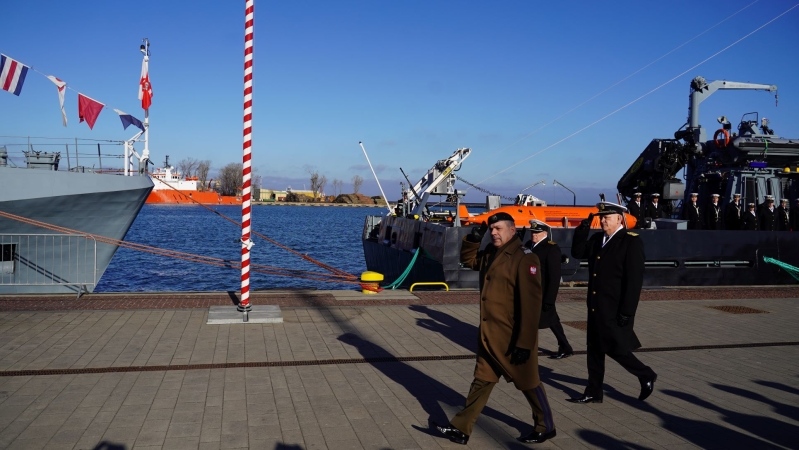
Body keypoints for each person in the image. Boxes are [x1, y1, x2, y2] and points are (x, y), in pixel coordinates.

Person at [435, 212, 556, 445]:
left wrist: (525, 342)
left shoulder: (525, 258)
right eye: (491, 229)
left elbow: (531, 306)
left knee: (529, 382)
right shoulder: (491, 251)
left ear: (512, 230)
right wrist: (473, 239)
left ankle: (546, 426)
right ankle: (461, 428)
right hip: (490, 333)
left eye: (498, 228)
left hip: (513, 336)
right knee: (482, 380)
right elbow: (469, 261)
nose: (493, 233)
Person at [568, 201, 657, 404]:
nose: (602, 221)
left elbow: (634, 281)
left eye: (607, 218)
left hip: (615, 307)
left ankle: (645, 374)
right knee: (595, 349)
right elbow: (577, 252)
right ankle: (593, 391)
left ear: (619, 218)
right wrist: (582, 229)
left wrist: (627, 312)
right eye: (601, 218)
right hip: (596, 304)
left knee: (614, 347)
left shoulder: (630, 241)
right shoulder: (598, 238)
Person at [526, 220, 573, 359]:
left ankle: (526, 348)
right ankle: (565, 346)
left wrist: (550, 299)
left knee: (548, 320)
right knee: (551, 320)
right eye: (532, 232)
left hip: (543, 291)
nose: (533, 235)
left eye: (537, 233)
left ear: (545, 233)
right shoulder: (529, 245)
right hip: (530, 290)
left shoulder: (551, 248)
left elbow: (554, 276)